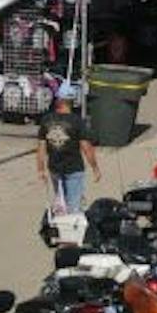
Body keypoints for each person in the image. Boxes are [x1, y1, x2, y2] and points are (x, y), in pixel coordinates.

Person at [36, 81, 99, 216]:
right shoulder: (76, 121)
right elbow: (86, 147)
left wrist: (40, 169)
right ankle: (71, 231)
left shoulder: (46, 120)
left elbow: (41, 147)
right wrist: (95, 168)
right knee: (73, 205)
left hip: (54, 168)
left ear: (58, 99)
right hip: (74, 168)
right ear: (72, 101)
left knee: (60, 201)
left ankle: (60, 226)